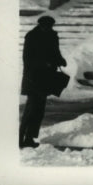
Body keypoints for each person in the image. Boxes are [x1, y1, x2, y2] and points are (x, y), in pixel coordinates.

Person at [19, 15, 66, 149]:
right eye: (46, 26)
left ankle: (29, 138)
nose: (48, 28)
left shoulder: (52, 35)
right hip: (33, 78)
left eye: (50, 26)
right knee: (31, 109)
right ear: (40, 25)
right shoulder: (32, 36)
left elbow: (55, 52)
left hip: (46, 78)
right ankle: (19, 138)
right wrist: (43, 63)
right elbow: (27, 58)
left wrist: (60, 60)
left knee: (39, 111)